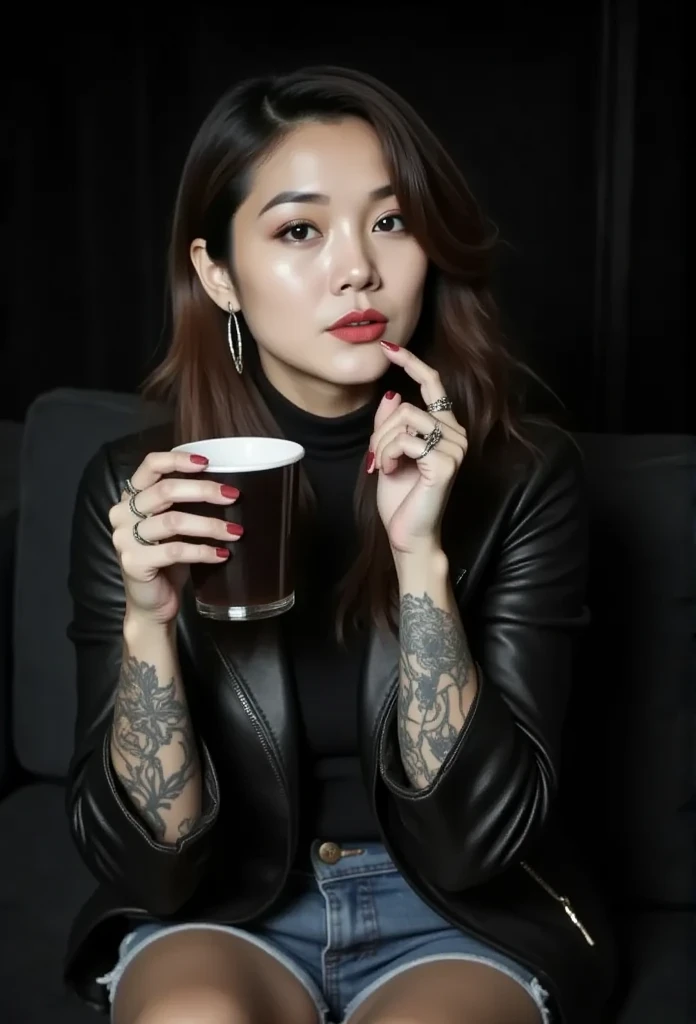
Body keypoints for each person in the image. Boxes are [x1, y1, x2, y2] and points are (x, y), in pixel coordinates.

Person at [63, 66, 615, 1024]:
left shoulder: (525, 476)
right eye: (299, 230)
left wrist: (422, 561)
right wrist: (147, 623)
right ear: (216, 273)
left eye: (391, 222)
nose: (357, 267)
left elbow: (474, 847)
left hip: (455, 916)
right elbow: (149, 861)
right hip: (225, 906)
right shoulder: (136, 487)